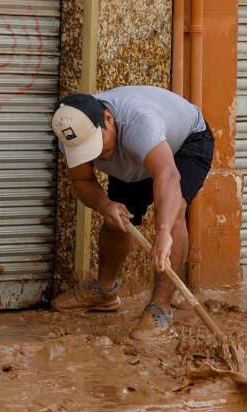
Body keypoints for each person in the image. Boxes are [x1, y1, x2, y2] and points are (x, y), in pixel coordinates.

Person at [50, 86, 214, 340]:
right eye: (88, 151)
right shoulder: (72, 134)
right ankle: (105, 292)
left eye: (97, 145)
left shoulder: (140, 123)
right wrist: (106, 205)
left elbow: (167, 175)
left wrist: (162, 233)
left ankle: (160, 308)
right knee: (117, 218)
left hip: (184, 143)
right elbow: (83, 182)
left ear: (108, 119)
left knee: (174, 214)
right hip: (132, 159)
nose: (97, 156)